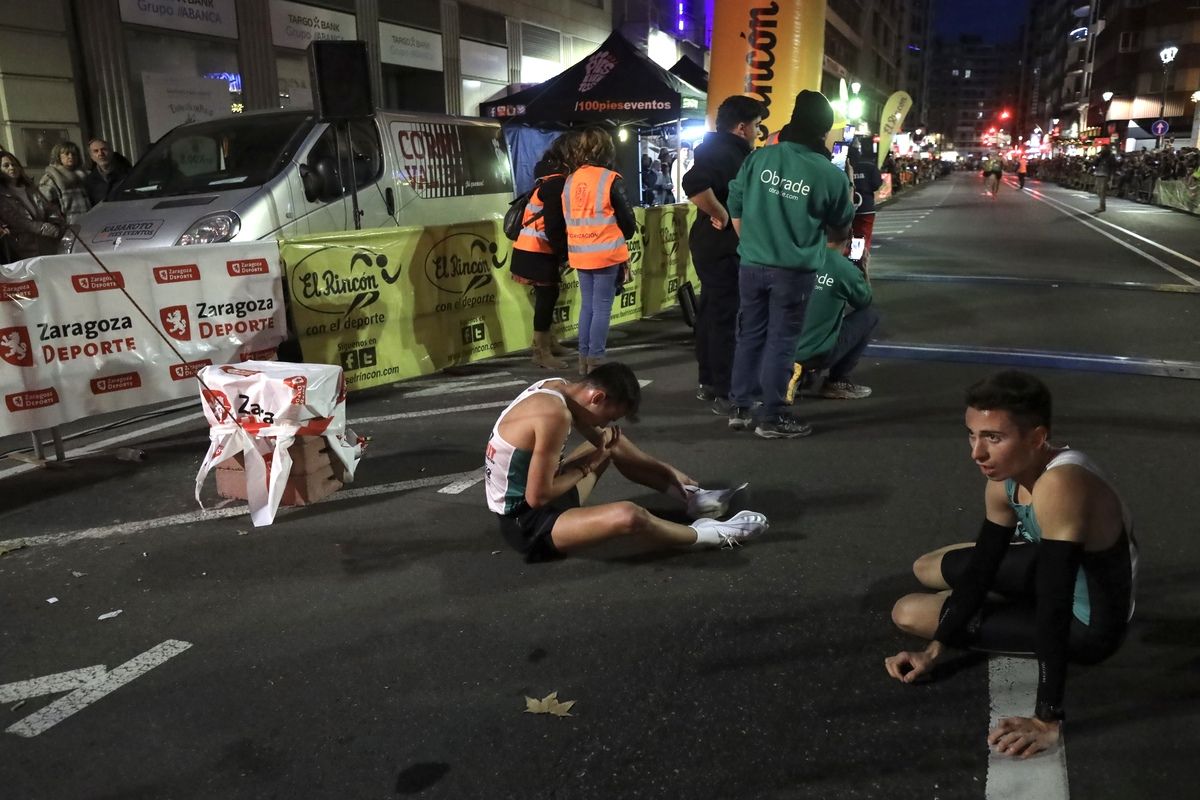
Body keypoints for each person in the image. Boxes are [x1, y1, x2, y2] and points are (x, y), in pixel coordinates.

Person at [885, 370, 1137, 759]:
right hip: (1052, 565)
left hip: (1086, 620)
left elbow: (1054, 606)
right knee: (927, 567)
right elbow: (984, 564)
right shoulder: (1004, 477)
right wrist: (934, 651)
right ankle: (1002, 587)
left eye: (993, 438)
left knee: (908, 612)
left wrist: (1046, 718)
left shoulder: (1061, 484)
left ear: (1037, 438)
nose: (977, 453)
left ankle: (1006, 597)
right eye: (972, 434)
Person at [484, 362, 768, 561]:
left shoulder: (558, 388)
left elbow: (602, 438)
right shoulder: (553, 415)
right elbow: (538, 496)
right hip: (526, 523)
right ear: (597, 396)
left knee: (609, 441)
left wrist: (665, 470)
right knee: (629, 516)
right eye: (609, 415)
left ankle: (690, 497)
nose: (606, 423)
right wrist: (588, 465)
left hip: (544, 494)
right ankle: (709, 534)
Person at [725, 90, 855, 439]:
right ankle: (773, 416)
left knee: (749, 334)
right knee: (782, 341)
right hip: (794, 270)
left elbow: (734, 200)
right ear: (822, 130)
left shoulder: (760, 159)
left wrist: (749, 241)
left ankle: (741, 405)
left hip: (751, 264)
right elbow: (841, 225)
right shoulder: (828, 174)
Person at [682, 94, 765, 415]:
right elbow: (694, 182)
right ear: (741, 127)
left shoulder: (720, 149)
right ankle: (726, 389)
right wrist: (720, 213)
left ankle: (710, 381)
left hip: (711, 245)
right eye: (756, 126)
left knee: (711, 314)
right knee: (725, 319)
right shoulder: (726, 152)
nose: (758, 132)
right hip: (722, 247)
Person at [562, 128, 637, 375]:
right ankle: (596, 359)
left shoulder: (570, 180)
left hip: (580, 252)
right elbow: (627, 220)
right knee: (603, 306)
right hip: (605, 252)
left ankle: (583, 360)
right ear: (606, 149)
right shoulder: (610, 179)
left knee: (588, 307)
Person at [787, 236, 879, 402]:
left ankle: (794, 374)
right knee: (870, 315)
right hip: (817, 353)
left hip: (781, 349)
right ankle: (837, 381)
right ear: (848, 237)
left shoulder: (796, 256)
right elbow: (864, 302)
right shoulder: (845, 268)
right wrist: (863, 268)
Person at [511, 133, 574, 370]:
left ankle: (550, 342)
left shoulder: (545, 183)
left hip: (532, 250)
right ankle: (541, 352)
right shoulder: (557, 185)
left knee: (549, 297)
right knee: (546, 300)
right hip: (536, 252)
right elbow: (554, 226)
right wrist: (564, 253)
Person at [0, 151, 65, 260]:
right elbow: (17, 221)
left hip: (48, 242)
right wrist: (44, 228)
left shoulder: (31, 188)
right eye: (6, 166)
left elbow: (49, 208)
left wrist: (57, 223)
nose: (12, 168)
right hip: (24, 247)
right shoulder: (2, 196)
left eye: (14, 164)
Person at [38, 141, 91, 225]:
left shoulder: (84, 175)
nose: (71, 157)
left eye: (74, 154)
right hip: (68, 225)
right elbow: (47, 206)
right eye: (67, 154)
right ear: (58, 156)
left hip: (89, 221)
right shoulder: (51, 178)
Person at [847, 140, 884, 260]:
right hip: (865, 208)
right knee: (862, 237)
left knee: (846, 238)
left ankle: (852, 262)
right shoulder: (869, 165)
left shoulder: (842, 165)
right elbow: (876, 184)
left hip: (846, 208)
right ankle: (858, 264)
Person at [84, 137, 133, 205]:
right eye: (96, 151)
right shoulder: (89, 181)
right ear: (92, 157)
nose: (100, 153)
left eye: (104, 149)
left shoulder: (129, 174)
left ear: (111, 152)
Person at [1092, 144, 1116, 212]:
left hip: (1105, 175)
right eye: (1102, 148)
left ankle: (1102, 206)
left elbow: (1113, 167)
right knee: (1098, 191)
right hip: (1098, 174)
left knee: (1102, 191)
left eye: (1103, 148)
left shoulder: (1111, 157)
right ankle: (1102, 205)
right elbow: (1094, 164)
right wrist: (1097, 157)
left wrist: (1111, 177)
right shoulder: (1100, 157)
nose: (1102, 149)